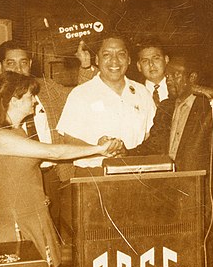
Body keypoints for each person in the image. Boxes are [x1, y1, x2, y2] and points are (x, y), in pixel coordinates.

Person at [0, 71, 119, 267]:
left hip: (34, 216)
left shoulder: (17, 132)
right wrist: (97, 149)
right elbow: (53, 153)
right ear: (14, 98)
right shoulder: (1, 137)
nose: (35, 101)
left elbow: (22, 175)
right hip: (17, 225)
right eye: (31, 96)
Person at [129, 53, 213, 267]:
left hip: (198, 197)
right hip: (166, 196)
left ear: (193, 78)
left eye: (176, 74)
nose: (170, 79)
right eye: (170, 75)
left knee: (201, 263)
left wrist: (209, 200)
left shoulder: (212, 107)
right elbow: (152, 147)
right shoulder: (166, 107)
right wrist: (122, 153)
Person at [0, 39, 96, 224]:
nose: (18, 69)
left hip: (56, 174)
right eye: (11, 63)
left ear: (30, 64)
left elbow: (79, 98)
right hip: (16, 184)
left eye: (23, 63)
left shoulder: (47, 88)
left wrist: (86, 67)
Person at [56, 34, 156, 170]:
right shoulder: (80, 94)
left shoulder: (142, 92)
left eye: (121, 54)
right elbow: (69, 140)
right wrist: (97, 148)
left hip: (135, 171)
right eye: (107, 55)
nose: (114, 61)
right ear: (97, 59)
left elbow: (149, 135)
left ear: (129, 59)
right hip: (93, 174)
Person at [135, 37, 169, 105]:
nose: (151, 64)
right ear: (139, 66)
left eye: (156, 59)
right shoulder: (135, 93)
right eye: (145, 61)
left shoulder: (178, 89)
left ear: (166, 60)